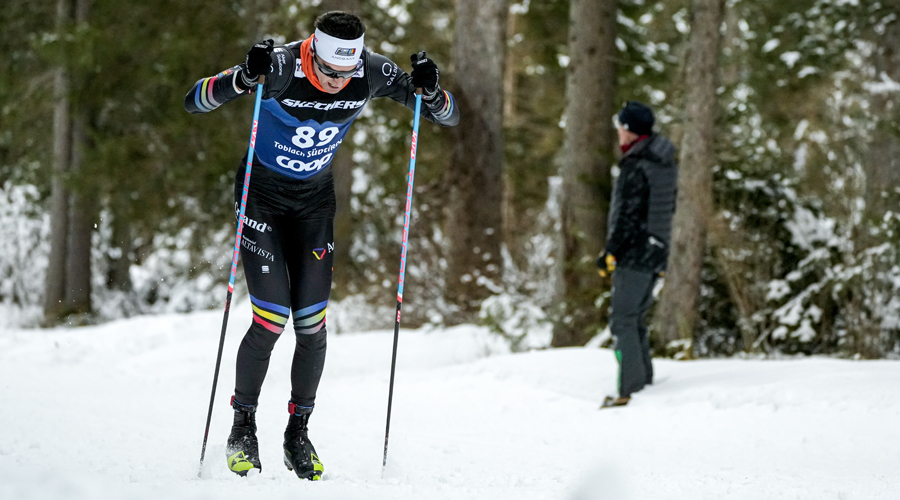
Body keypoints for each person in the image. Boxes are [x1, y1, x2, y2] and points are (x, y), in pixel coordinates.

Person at [184, 11, 459, 479]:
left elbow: (447, 116)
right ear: (312, 52)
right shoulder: (281, 65)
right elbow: (195, 101)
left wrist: (432, 90)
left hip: (314, 204)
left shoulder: (370, 71)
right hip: (262, 197)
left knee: (312, 325)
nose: (337, 82)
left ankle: (298, 432)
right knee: (271, 319)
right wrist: (243, 77)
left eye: (346, 73)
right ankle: (242, 426)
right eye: (330, 71)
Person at [597, 101, 677, 409]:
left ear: (631, 130)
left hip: (636, 253)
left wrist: (610, 251)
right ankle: (643, 386)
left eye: (621, 126)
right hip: (656, 250)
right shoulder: (661, 161)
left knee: (623, 321)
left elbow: (627, 217)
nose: (618, 131)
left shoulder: (636, 165)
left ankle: (628, 392)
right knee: (635, 318)